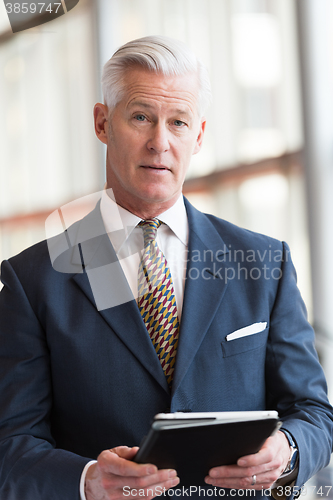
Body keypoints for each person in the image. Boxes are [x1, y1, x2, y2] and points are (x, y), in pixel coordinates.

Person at [0, 35, 332, 500]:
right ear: (102, 122)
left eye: (178, 122)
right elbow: (11, 447)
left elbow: (314, 411)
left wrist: (288, 450)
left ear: (198, 135)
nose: (160, 142)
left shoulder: (263, 262)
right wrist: (88, 480)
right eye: (141, 117)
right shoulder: (33, 280)